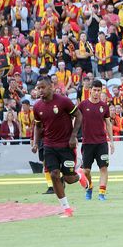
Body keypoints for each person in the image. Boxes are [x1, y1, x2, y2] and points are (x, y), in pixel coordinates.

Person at [31, 76, 87, 218]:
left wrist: (74, 135)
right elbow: (38, 126)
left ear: (51, 87)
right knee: (54, 174)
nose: (40, 90)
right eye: (38, 88)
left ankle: (79, 174)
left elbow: (79, 115)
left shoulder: (63, 101)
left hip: (66, 145)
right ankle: (67, 209)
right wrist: (36, 142)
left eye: (43, 87)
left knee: (68, 178)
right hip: (49, 145)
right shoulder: (37, 106)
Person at [79, 80, 114, 201]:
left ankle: (102, 193)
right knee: (86, 170)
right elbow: (76, 120)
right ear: (90, 90)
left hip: (101, 143)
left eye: (99, 90)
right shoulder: (83, 105)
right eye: (94, 90)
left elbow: (108, 124)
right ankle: (90, 187)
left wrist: (112, 142)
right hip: (87, 143)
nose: (96, 93)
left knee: (103, 168)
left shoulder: (104, 106)